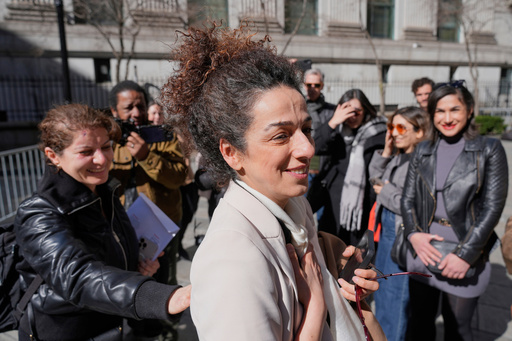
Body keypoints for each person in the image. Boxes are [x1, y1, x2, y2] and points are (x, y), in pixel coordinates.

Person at [161, 23, 382, 340]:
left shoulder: (292, 201)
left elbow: (307, 246)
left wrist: (337, 256)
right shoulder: (231, 260)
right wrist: (317, 307)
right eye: (281, 136)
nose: (307, 149)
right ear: (231, 152)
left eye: (305, 129)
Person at [13, 104, 191, 340]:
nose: (101, 159)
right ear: (53, 156)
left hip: (115, 327)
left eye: (106, 147)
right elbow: (78, 276)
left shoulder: (106, 193)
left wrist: (141, 267)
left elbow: (112, 258)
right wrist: (156, 296)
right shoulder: (37, 213)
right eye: (86, 151)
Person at [401, 81, 508, 341]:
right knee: (420, 324)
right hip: (423, 252)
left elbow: (493, 208)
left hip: (464, 254)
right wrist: (413, 234)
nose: (447, 118)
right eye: (440, 111)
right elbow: (407, 200)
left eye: (455, 109)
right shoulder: (423, 150)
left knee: (458, 330)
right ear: (431, 113)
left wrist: (465, 254)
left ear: (469, 110)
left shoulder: (489, 149)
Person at [109, 80, 188, 338]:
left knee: (161, 283)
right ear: (114, 111)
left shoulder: (161, 137)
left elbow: (179, 177)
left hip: (158, 229)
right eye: (128, 107)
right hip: (120, 230)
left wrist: (146, 156)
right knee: (126, 285)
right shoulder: (108, 143)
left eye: (140, 106)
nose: (135, 113)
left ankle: (165, 331)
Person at [369, 107, 430, 341]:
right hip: (387, 233)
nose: (394, 132)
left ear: (420, 131)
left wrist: (386, 191)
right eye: (391, 127)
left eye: (401, 127)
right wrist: (386, 149)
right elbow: (374, 176)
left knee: (396, 298)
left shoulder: (423, 162)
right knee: (383, 293)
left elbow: (415, 205)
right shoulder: (400, 154)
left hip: (403, 237)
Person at [313, 89, 386, 245]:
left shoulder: (377, 133)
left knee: (355, 255)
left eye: (357, 111)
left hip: (360, 205)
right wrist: (333, 122)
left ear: (365, 110)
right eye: (347, 111)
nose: (352, 116)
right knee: (330, 251)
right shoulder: (336, 131)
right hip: (332, 201)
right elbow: (314, 148)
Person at [303, 68, 336, 220]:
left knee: (323, 216)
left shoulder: (332, 111)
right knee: (301, 214)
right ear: (304, 85)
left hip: (325, 169)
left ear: (322, 86)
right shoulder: (299, 107)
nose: (312, 89)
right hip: (303, 168)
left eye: (316, 85)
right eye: (309, 84)